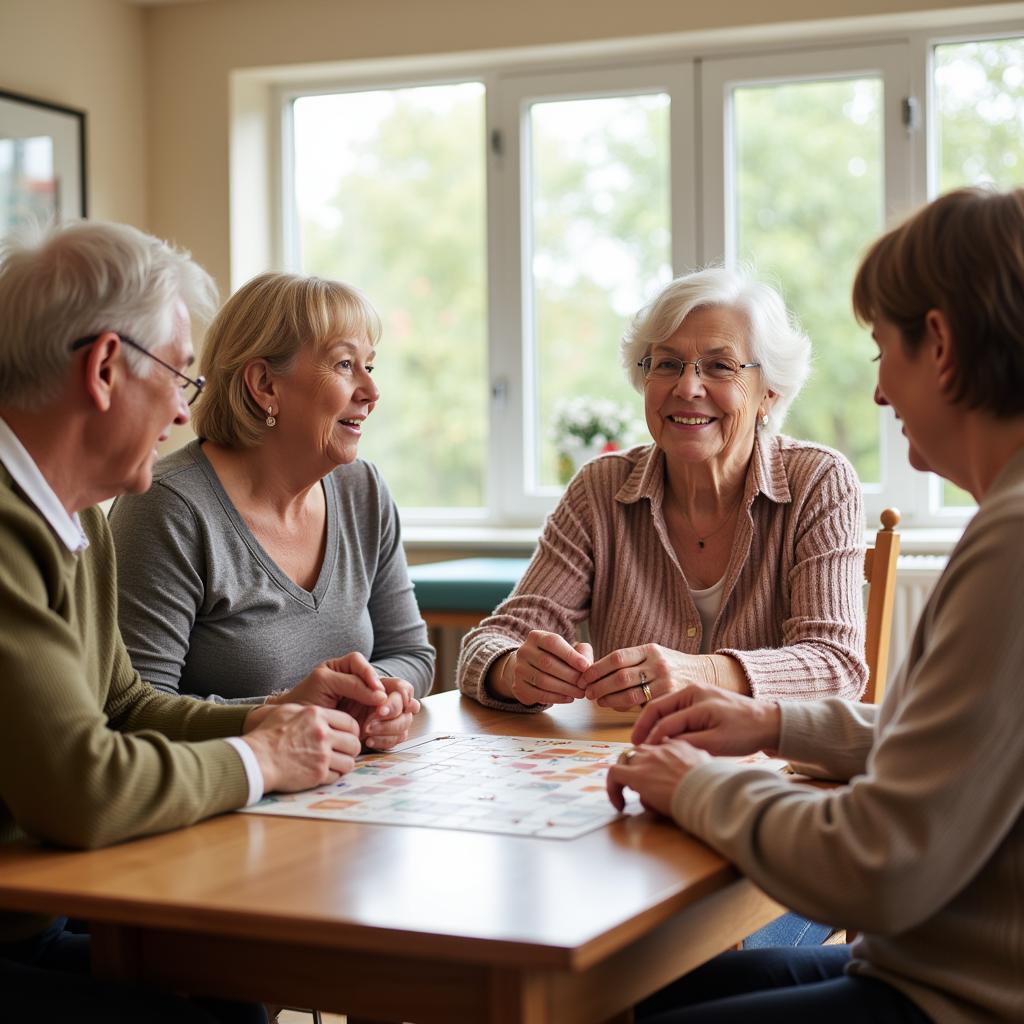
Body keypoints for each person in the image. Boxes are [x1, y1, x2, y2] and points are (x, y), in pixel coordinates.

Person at [607, 186, 1024, 1023]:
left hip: (954, 997)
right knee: (614, 998)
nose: (878, 394)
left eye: (882, 352)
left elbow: (876, 862)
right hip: (922, 969)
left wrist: (696, 786)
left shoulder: (1011, 543)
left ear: (938, 345)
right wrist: (775, 726)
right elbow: (967, 748)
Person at [0, 221, 403, 1023]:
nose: (187, 415)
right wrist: (260, 757)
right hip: (24, 931)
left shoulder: (70, 521)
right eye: (180, 377)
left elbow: (126, 707)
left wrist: (276, 715)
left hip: (38, 919)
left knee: (240, 987)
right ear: (106, 368)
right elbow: (85, 787)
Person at [460, 268, 865, 948]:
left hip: (775, 834)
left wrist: (703, 673)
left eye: (718, 366)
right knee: (507, 934)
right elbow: (492, 637)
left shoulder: (819, 481)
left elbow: (836, 667)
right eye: (666, 365)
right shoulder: (600, 490)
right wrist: (511, 669)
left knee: (687, 972)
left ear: (768, 393)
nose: (687, 387)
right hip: (628, 823)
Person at [107, 271, 433, 745]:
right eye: (345, 365)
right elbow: (132, 713)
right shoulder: (168, 506)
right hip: (220, 797)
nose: (370, 391)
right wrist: (280, 713)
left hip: (340, 785)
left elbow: (411, 652)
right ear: (264, 384)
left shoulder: (363, 489)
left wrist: (381, 696)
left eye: (370, 367)